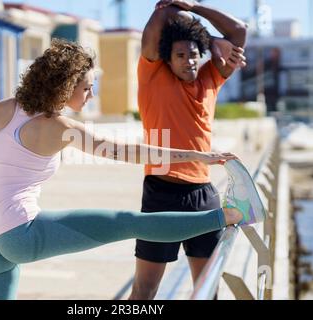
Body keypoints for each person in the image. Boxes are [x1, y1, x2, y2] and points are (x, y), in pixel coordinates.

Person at [0, 39, 247, 300]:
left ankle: (226, 215)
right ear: (65, 85)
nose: (91, 95)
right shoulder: (59, 127)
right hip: (20, 233)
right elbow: (128, 152)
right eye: (87, 87)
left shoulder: (4, 109)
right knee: (130, 223)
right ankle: (228, 215)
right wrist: (196, 155)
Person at [129, 0, 248, 300]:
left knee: (207, 291)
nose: (189, 61)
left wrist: (197, 9)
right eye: (180, 56)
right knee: (145, 291)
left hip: (204, 196)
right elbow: (164, 12)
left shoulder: (211, 77)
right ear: (166, 59)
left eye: (194, 54)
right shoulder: (152, 75)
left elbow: (240, 30)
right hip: (161, 194)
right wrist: (212, 39)